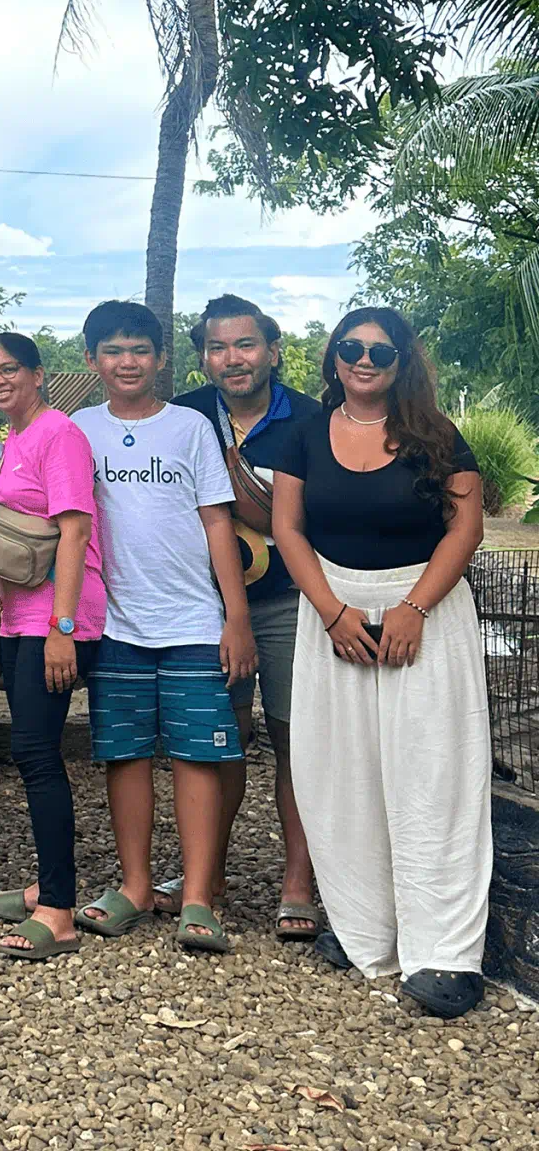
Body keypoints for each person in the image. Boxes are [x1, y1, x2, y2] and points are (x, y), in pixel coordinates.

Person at [271, 306, 489, 1019]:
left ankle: (446, 953)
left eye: (381, 351)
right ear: (333, 359)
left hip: (421, 612)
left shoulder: (437, 436)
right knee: (341, 772)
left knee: (433, 777)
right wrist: (333, 610)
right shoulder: (303, 436)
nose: (365, 360)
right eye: (352, 348)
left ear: (402, 363)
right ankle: (368, 929)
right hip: (332, 614)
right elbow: (287, 529)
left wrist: (414, 607)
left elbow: (467, 527)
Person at [72, 300, 254, 956]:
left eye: (139, 350)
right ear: (92, 359)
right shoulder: (78, 429)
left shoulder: (189, 429)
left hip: (193, 620)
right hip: (114, 622)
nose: (127, 362)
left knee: (197, 755)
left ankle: (199, 893)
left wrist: (235, 617)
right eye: (114, 351)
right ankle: (136, 885)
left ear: (161, 359)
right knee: (124, 755)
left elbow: (216, 522)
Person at [171, 294, 321, 939]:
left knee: (297, 741)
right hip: (205, 608)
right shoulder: (184, 415)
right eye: (218, 347)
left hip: (289, 604)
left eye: (245, 345)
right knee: (217, 739)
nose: (232, 359)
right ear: (203, 356)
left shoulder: (314, 420)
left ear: (272, 350)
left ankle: (298, 882)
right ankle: (210, 877)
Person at [0, 332, 103, 962]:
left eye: (10, 369)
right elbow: (4, 542)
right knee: (29, 750)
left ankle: (59, 907)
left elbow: (74, 533)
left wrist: (63, 628)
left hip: (57, 617)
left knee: (36, 752)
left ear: (39, 374)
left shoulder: (59, 435)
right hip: (19, 615)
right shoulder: (12, 442)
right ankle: (44, 885)